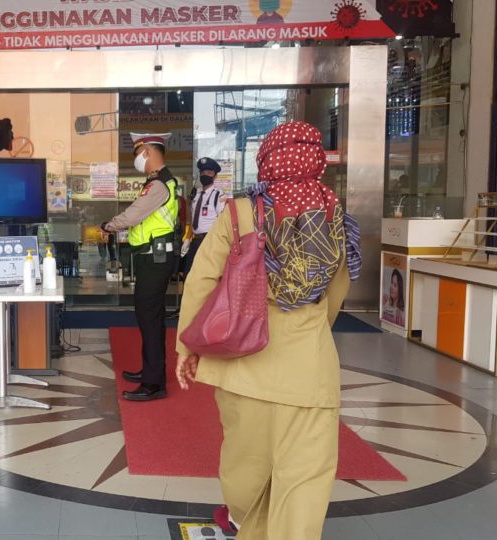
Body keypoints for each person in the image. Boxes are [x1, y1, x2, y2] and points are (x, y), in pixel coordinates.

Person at [176, 121, 362, 539]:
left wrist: (187, 347)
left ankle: (242, 517)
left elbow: (202, 281)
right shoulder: (336, 215)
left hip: (244, 361)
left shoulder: (241, 212)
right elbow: (337, 290)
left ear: (267, 161)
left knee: (246, 466)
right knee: (305, 479)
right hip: (310, 370)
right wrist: (310, 332)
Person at [101, 132, 180, 402]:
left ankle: (154, 384)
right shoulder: (161, 182)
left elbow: (134, 215)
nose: (137, 158)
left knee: (149, 318)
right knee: (151, 319)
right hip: (153, 258)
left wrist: (108, 226)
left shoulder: (158, 184)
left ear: (147, 150)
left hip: (155, 259)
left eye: (137, 153)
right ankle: (151, 372)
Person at [183, 157, 228, 275]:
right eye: (202, 172)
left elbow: (223, 222)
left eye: (209, 173)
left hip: (210, 242)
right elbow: (193, 219)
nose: (205, 175)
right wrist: (187, 238)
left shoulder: (218, 195)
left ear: (215, 176)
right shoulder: (196, 193)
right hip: (195, 241)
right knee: (189, 275)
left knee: (207, 276)